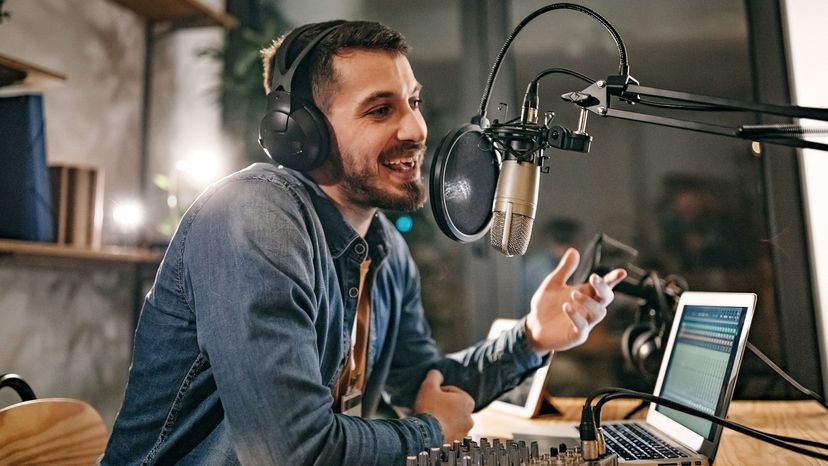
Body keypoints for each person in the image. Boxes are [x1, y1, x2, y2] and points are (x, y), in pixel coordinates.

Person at [101, 20, 626, 465]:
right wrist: (430, 432)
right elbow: (292, 451)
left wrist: (533, 336)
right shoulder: (251, 219)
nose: (417, 128)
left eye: (414, 102)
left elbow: (425, 384)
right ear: (299, 131)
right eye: (381, 110)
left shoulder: (383, 248)